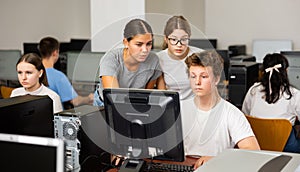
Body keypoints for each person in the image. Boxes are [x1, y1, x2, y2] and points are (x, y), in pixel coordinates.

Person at [181, 50, 260, 169]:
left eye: (204, 76)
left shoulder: (231, 113)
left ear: (216, 79)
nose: (197, 82)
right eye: (193, 76)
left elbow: (253, 152)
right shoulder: (180, 108)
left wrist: (217, 160)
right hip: (185, 166)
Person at [94, 18, 165, 106]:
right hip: (106, 103)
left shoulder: (153, 60)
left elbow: (146, 95)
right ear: (126, 42)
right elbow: (114, 98)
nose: (145, 50)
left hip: (135, 104)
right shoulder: (111, 59)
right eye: (139, 44)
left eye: (149, 44)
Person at [242, 53, 300, 153]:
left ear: (263, 72)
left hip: (257, 143)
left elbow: (244, 114)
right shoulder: (294, 94)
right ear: (285, 71)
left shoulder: (253, 90)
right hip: (285, 146)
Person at [39, 37, 94, 109]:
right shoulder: (58, 76)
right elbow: (75, 101)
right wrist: (89, 98)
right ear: (55, 53)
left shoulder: (35, 73)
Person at [157, 15, 203, 100]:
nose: (179, 45)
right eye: (174, 40)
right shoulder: (159, 58)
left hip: (196, 105)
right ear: (166, 39)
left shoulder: (200, 55)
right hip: (171, 106)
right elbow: (162, 95)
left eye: (184, 39)